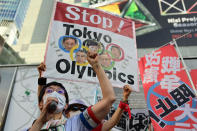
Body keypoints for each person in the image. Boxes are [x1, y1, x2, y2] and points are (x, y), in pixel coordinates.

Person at [29, 50, 116, 131]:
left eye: (60, 92)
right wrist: (41, 121)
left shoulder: (77, 123)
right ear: (40, 104)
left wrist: (96, 65)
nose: (54, 94)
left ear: (66, 105)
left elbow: (109, 99)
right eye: (49, 91)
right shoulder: (35, 126)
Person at [64, 85, 132, 131]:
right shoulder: (58, 126)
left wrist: (124, 98)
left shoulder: (90, 128)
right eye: (74, 108)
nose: (78, 110)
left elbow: (111, 122)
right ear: (66, 113)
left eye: (82, 109)